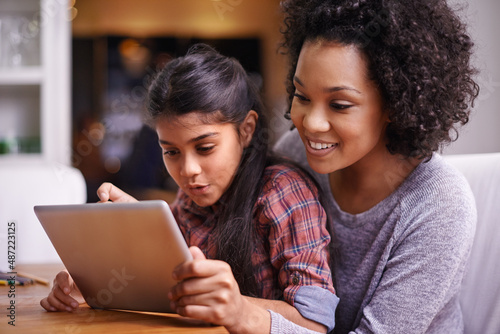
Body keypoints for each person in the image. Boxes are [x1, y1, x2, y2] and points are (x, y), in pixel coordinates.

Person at [40, 44, 339, 333]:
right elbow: (165, 291)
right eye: (171, 152)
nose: (188, 170)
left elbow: (314, 323)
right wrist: (91, 284)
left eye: (205, 147)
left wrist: (237, 309)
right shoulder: (188, 199)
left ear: (246, 130)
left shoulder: (284, 194)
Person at [271, 0, 480, 333]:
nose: (310, 123)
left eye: (339, 105)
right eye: (302, 95)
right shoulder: (294, 154)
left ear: (395, 104)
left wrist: (251, 317)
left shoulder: (440, 204)